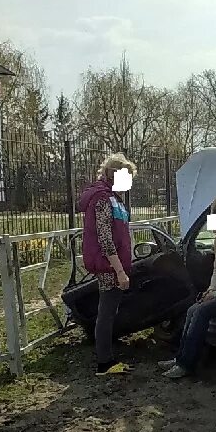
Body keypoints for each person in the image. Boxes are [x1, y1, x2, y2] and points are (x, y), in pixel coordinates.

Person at [159, 202, 216, 379]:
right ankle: (180, 358)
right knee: (193, 309)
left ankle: (186, 364)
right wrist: (210, 290)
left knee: (201, 312)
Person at [78, 153, 137, 375]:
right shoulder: (103, 199)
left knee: (109, 311)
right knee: (107, 312)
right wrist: (119, 271)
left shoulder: (111, 197)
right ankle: (105, 362)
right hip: (109, 265)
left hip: (112, 263)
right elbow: (105, 238)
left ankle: (107, 356)